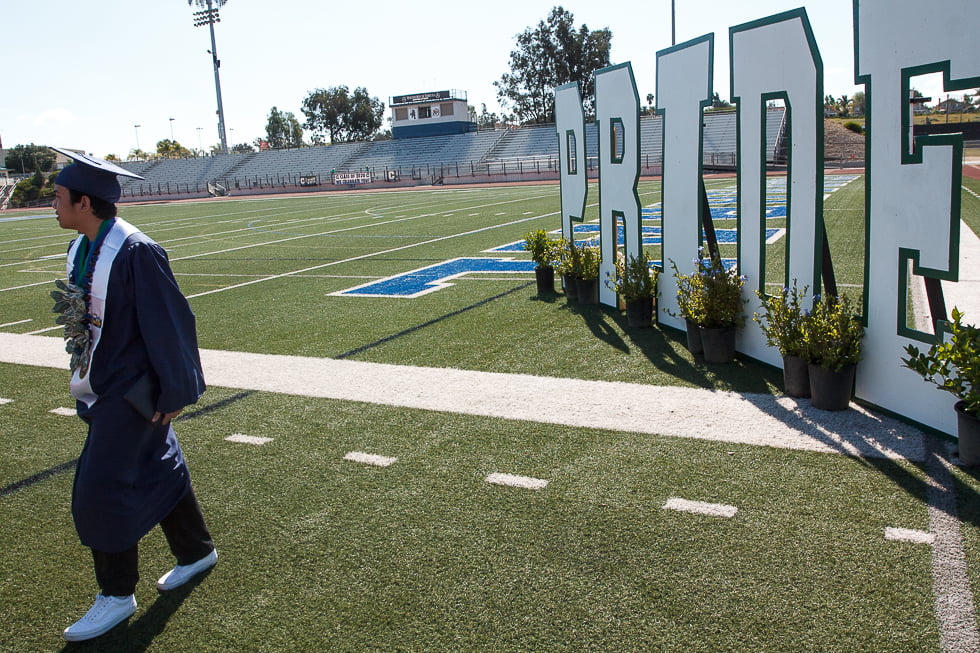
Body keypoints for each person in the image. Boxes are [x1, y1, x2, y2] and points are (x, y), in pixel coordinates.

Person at [49, 148, 217, 642]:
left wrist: (175, 390)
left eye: (59, 198)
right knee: (157, 467)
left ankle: (116, 595)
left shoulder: (135, 250)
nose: (52, 205)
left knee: (98, 492)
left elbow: (170, 324)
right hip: (103, 386)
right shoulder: (82, 248)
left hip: (134, 392)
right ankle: (196, 550)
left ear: (85, 202)